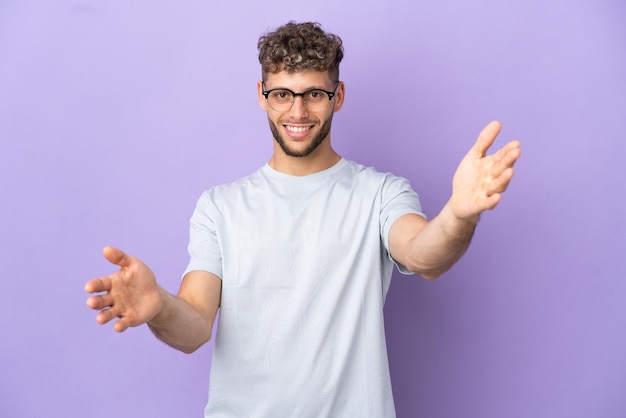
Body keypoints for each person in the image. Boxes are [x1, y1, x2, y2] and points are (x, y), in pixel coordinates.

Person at [85, 21, 521, 417]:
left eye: (314, 93)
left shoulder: (380, 193)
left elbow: (424, 254)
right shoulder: (220, 206)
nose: (298, 112)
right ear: (261, 96)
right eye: (282, 94)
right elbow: (195, 324)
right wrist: (159, 305)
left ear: (338, 96)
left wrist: (459, 214)